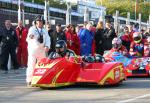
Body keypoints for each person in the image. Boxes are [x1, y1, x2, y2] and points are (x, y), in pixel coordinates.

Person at [26, 15, 50, 86]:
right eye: (38, 21)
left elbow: (48, 39)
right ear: (35, 22)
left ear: (43, 22)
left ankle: (42, 78)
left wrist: (47, 46)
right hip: (33, 50)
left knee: (43, 65)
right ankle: (29, 80)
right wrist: (31, 36)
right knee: (31, 65)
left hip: (41, 50)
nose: (39, 23)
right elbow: (30, 35)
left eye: (41, 21)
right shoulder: (32, 29)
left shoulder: (45, 30)